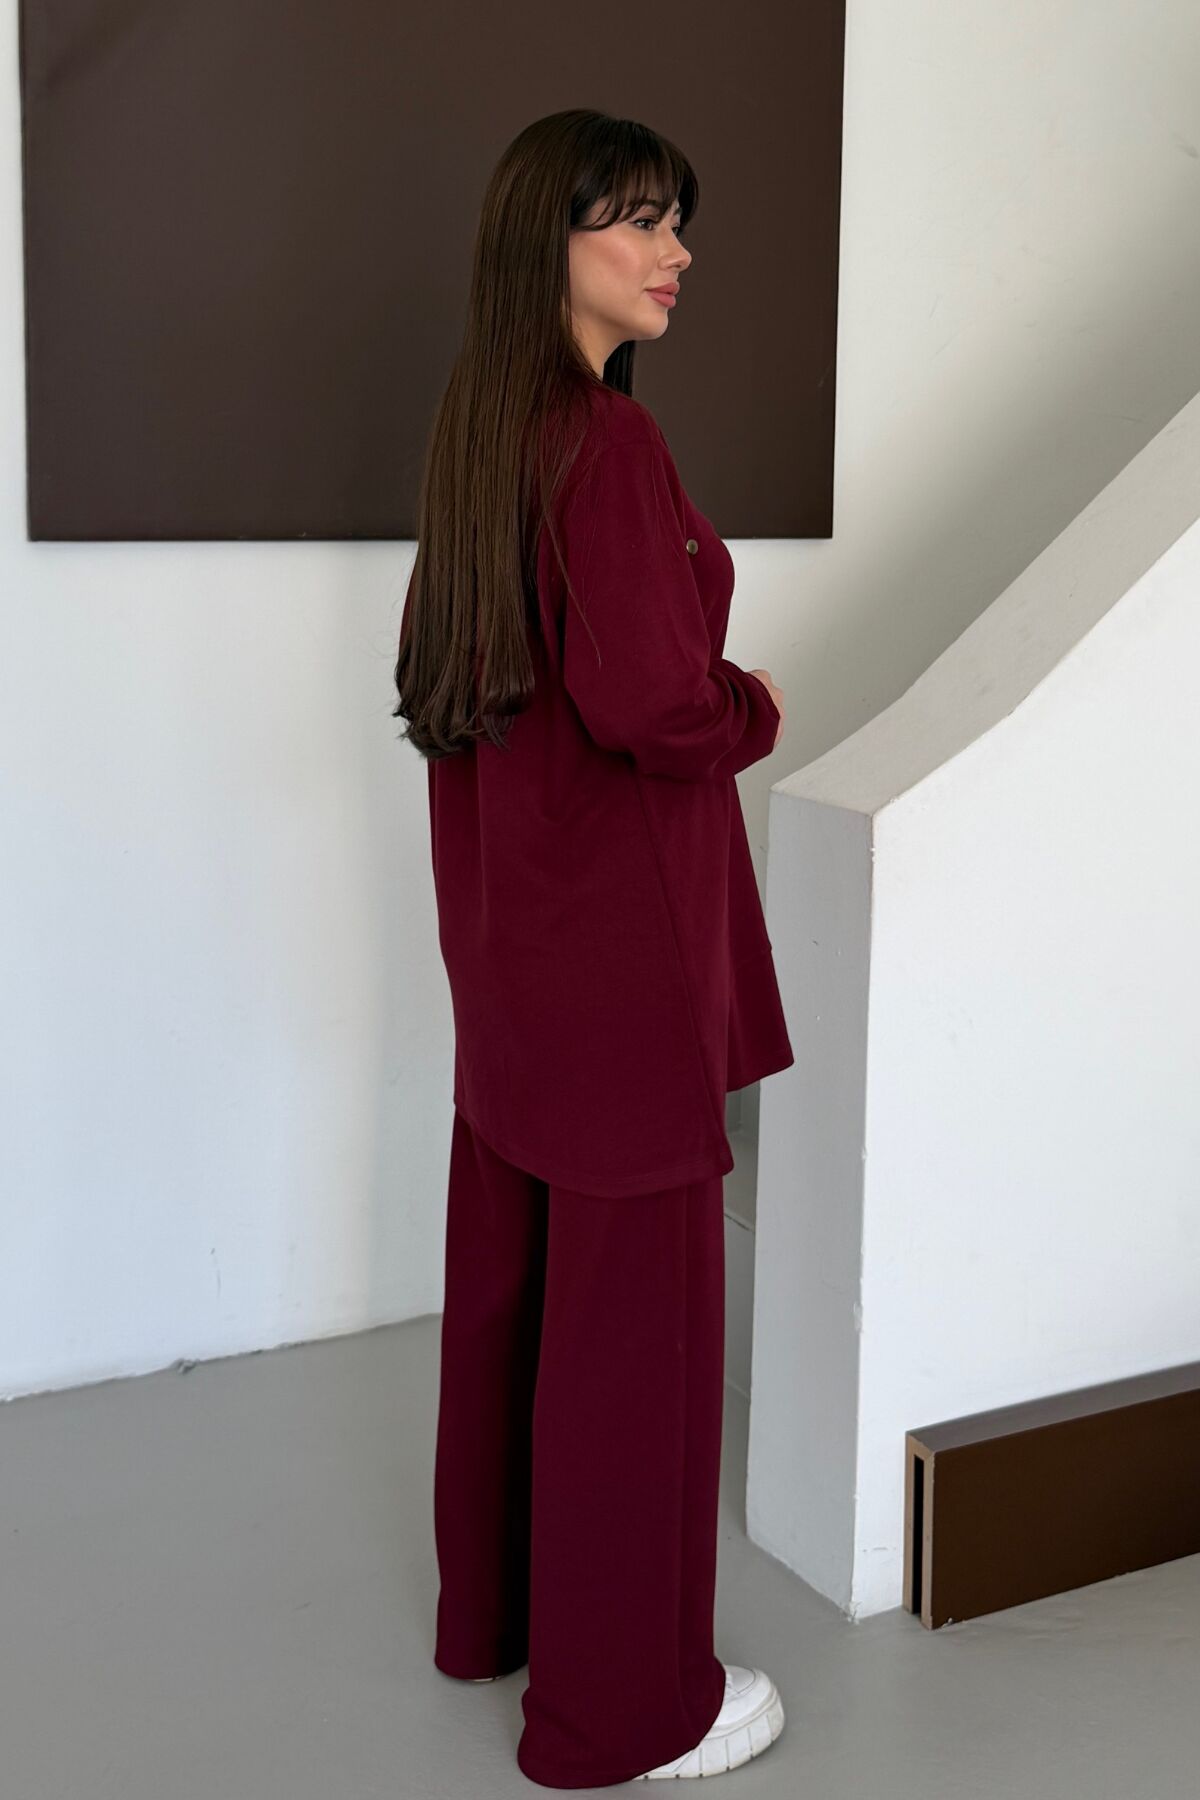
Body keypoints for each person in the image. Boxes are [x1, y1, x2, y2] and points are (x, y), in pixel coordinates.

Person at [393, 108, 792, 1788]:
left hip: (515, 953)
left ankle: (497, 1622)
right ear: (543, 245)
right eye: (634, 219)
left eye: (676, 219)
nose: (674, 251)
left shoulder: (484, 435)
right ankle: (627, 1711)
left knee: (518, 1293)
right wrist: (753, 703)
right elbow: (655, 706)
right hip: (619, 963)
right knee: (637, 1339)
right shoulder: (607, 449)